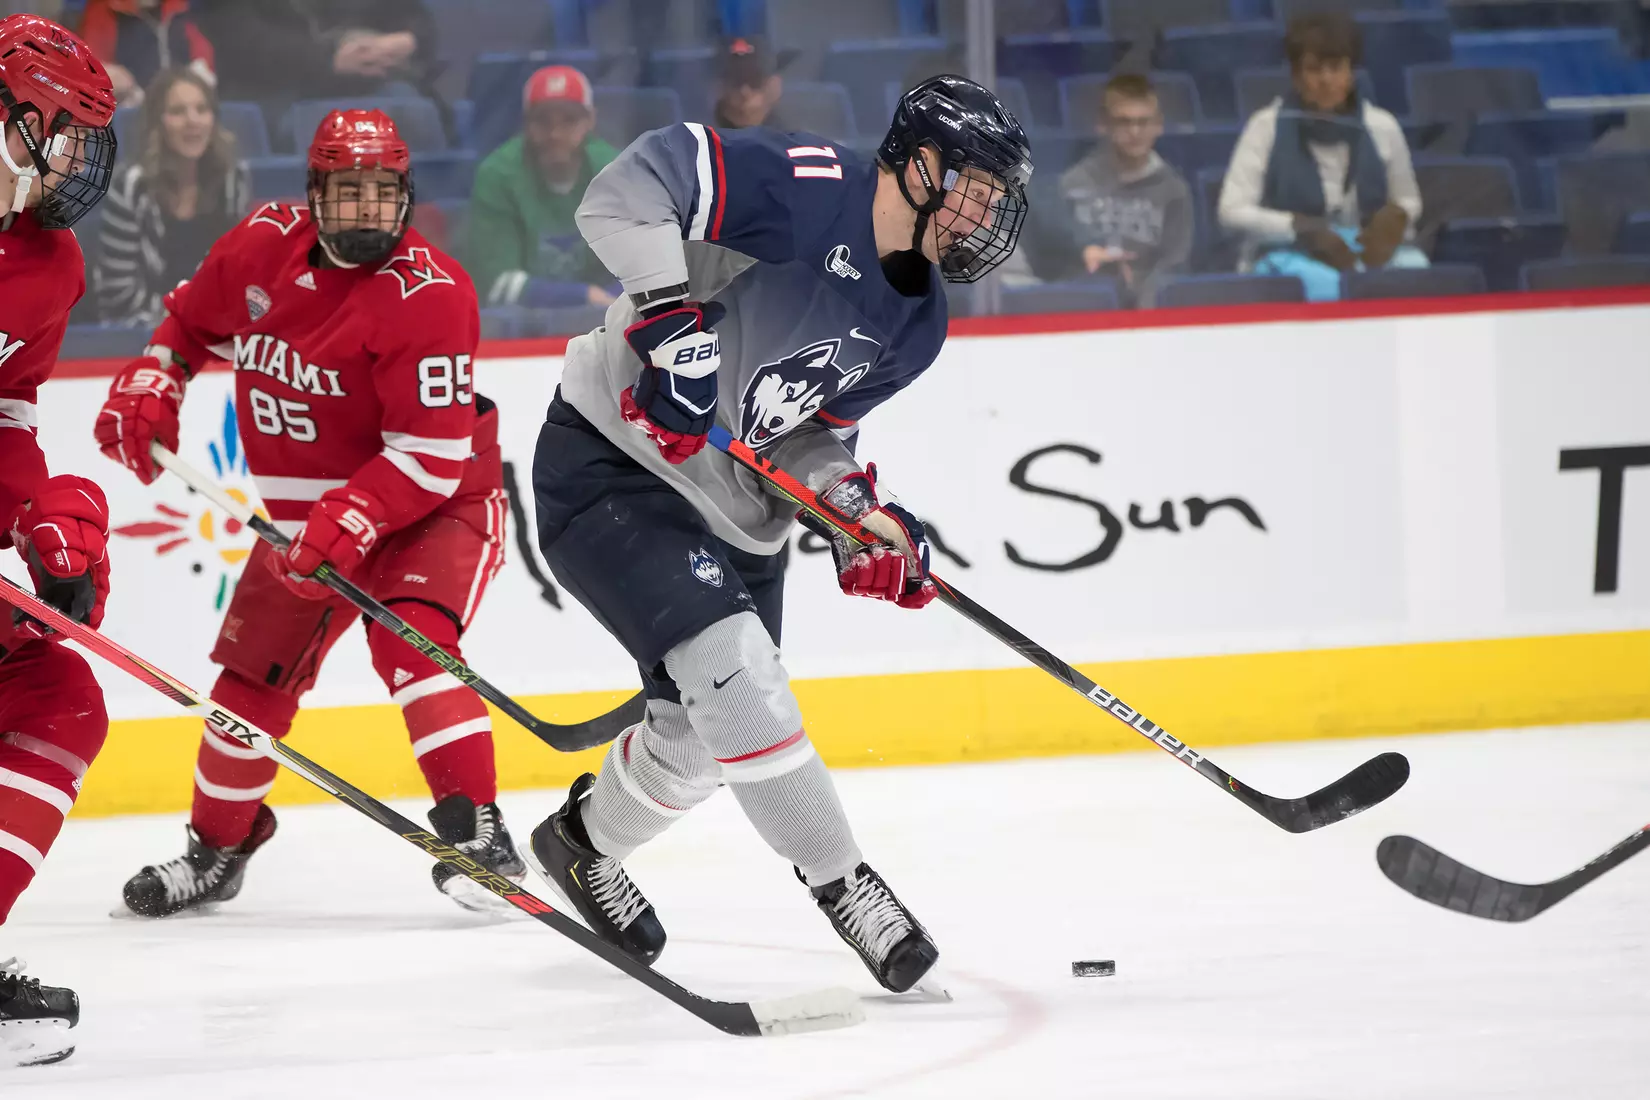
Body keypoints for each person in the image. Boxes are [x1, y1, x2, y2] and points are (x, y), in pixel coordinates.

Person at [525, 75, 1031, 994]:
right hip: (612, 462)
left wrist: (855, 517)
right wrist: (674, 334)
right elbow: (623, 193)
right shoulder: (805, 184)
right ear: (920, 165)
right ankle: (847, 888)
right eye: (976, 185)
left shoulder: (918, 324)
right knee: (742, 681)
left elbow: (802, 431)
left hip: (733, 505)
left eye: (998, 195)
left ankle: (579, 843)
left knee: (701, 742)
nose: (987, 212)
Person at [94, 109, 525, 923]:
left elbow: (429, 459)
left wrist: (352, 514)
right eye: (348, 192)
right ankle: (217, 850)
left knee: (412, 640)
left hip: (430, 509)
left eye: (382, 193)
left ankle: (479, 832)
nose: (367, 210)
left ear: (403, 197)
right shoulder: (261, 244)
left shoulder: (429, 294)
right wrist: (156, 377)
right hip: (310, 524)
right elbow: (191, 324)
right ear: (314, 194)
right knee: (245, 687)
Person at [0, 13, 119, 1068]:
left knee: (59, 699)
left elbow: (11, 412)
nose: (75, 157)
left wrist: (41, 518)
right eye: (64, 130)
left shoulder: (49, 263)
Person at [1218, 12, 1425, 301]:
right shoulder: (1265, 126)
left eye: (1336, 67)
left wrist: (1395, 218)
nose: (1326, 79)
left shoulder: (1382, 125)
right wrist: (1298, 227)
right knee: (1327, 286)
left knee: (1417, 270)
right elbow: (1231, 210)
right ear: (1296, 76)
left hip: (1365, 249)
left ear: (1351, 72)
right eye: (1314, 69)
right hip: (1289, 252)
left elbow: (1409, 199)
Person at [94, 67, 250, 324]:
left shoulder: (232, 178)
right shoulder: (131, 187)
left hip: (217, 331)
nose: (193, 121)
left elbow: (241, 275)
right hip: (144, 332)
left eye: (202, 109)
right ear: (157, 123)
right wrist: (191, 314)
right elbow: (118, 297)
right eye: (178, 112)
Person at [466, 65, 619, 310]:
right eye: (543, 121)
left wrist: (616, 299)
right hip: (521, 330)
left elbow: (644, 266)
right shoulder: (497, 175)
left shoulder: (615, 172)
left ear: (590, 121)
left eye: (569, 121)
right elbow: (497, 283)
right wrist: (582, 297)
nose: (555, 134)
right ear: (526, 124)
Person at [192, 0, 437, 134]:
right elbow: (241, 41)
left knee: (414, 112)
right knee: (329, 129)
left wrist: (408, 39)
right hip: (277, 93)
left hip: (368, 82)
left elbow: (411, 15)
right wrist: (330, 59)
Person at [1058, 73, 1192, 307]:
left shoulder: (1174, 191)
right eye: (1124, 122)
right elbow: (1058, 260)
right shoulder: (1073, 184)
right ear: (1103, 124)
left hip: (1151, 315)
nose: (1135, 132)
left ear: (1158, 125)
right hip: (1084, 308)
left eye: (1143, 122)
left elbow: (1176, 265)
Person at [76, 0, 214, 108]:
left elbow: (202, 54)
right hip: (128, 112)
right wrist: (108, 78)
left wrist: (200, 74)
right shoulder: (105, 10)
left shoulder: (179, 7)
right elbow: (90, 70)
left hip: (178, 109)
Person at [711, 36, 790, 130]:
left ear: (774, 87)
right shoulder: (698, 140)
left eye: (754, 81)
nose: (744, 92)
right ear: (719, 88)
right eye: (736, 80)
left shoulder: (795, 142)